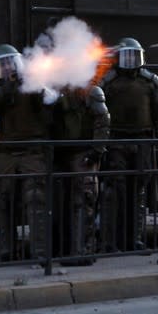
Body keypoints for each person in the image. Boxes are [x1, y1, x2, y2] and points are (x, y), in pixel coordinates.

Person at [0, 44, 53, 262]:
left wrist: (35, 87)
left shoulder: (33, 82)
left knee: (35, 199)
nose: (7, 68)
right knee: (2, 200)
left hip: (32, 150)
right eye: (2, 64)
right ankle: (7, 249)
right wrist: (3, 91)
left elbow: (52, 103)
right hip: (6, 151)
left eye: (10, 63)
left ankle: (40, 252)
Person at [98, 37, 158, 252]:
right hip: (117, 143)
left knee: (138, 193)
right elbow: (100, 118)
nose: (130, 61)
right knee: (113, 194)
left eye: (133, 56)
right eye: (126, 56)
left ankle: (134, 240)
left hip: (142, 143)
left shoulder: (150, 82)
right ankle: (110, 242)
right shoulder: (108, 82)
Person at [52, 83, 110, 265]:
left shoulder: (90, 91)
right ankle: (68, 250)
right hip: (63, 153)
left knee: (83, 201)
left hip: (82, 154)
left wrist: (96, 150)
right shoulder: (57, 90)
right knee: (65, 203)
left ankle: (82, 252)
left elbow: (103, 120)